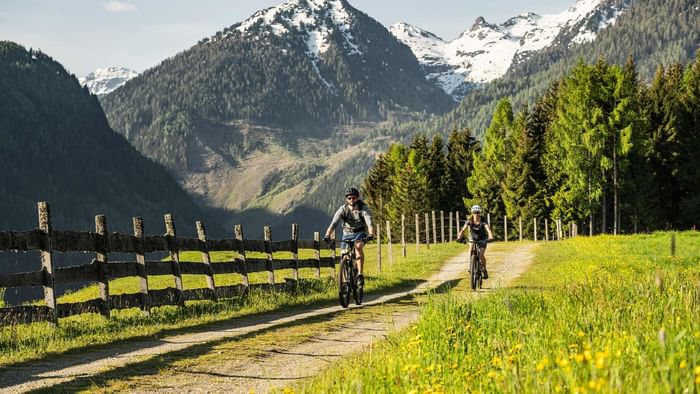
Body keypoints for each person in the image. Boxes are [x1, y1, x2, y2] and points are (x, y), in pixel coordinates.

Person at [324, 187, 374, 286]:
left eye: (354, 198)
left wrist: (371, 234)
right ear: (346, 199)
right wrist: (327, 235)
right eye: (349, 198)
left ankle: (360, 274)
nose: (352, 200)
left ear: (357, 198)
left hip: (360, 233)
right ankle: (344, 280)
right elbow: (333, 224)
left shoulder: (363, 209)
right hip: (347, 234)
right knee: (343, 253)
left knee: (358, 247)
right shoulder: (342, 209)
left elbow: (370, 224)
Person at [457, 204, 494, 279]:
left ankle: (484, 269)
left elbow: (488, 229)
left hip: (482, 238)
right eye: (474, 213)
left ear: (479, 213)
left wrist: (490, 236)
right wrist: (459, 237)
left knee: (481, 254)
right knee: (470, 250)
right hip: (473, 237)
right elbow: (463, 230)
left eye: (477, 213)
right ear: (472, 213)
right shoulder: (469, 220)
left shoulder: (483, 220)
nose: (476, 214)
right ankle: (471, 266)